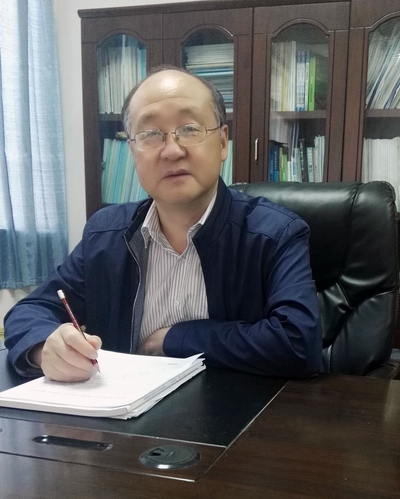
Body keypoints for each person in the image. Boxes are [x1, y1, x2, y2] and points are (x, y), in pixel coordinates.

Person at [4, 66, 321, 382]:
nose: (171, 150)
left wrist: (177, 339)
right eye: (150, 134)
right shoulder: (106, 234)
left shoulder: (274, 233)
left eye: (190, 128)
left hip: (237, 409)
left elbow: (298, 343)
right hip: (125, 407)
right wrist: (45, 347)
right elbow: (31, 310)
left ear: (223, 142)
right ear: (132, 151)